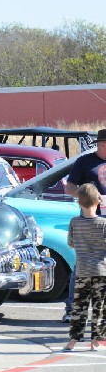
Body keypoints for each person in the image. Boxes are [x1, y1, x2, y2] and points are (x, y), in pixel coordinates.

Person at [62, 128, 106, 323]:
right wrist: (89, 196)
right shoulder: (85, 162)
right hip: (89, 219)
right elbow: (69, 187)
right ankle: (72, 310)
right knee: (82, 264)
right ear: (102, 144)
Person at [63, 183, 106, 352]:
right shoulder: (103, 224)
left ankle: (73, 340)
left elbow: (71, 243)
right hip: (101, 271)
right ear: (98, 201)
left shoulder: (74, 222)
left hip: (82, 270)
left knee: (79, 306)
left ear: (79, 203)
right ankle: (95, 340)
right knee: (99, 307)